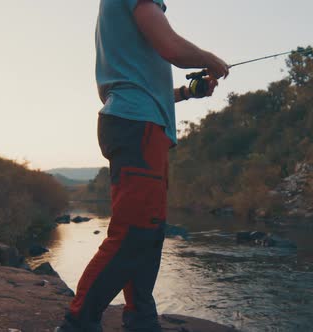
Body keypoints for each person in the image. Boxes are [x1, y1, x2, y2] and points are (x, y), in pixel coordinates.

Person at [57, 0, 229, 331]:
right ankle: (79, 322)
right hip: (138, 126)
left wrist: (186, 92)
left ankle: (142, 319)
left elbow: (143, 81)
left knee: (149, 233)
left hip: (137, 123)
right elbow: (171, 47)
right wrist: (209, 59)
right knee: (135, 232)